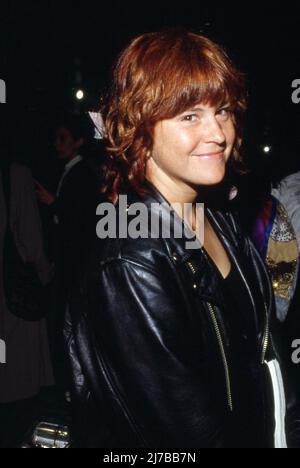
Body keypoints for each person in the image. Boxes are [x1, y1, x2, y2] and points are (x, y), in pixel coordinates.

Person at [64, 30, 300, 448]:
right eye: (190, 116)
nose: (218, 133)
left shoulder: (218, 217)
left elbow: (261, 351)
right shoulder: (132, 261)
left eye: (222, 110)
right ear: (139, 127)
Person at [36, 115, 98, 392]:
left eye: (63, 138)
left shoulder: (83, 172)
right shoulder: (69, 170)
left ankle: (72, 381)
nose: (57, 144)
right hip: (67, 258)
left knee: (70, 319)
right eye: (57, 138)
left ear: (78, 141)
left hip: (77, 261)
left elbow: (82, 218)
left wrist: (54, 204)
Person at [0, 162, 54, 447]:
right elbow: (31, 237)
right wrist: (45, 274)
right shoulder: (14, 173)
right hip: (12, 291)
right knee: (17, 378)